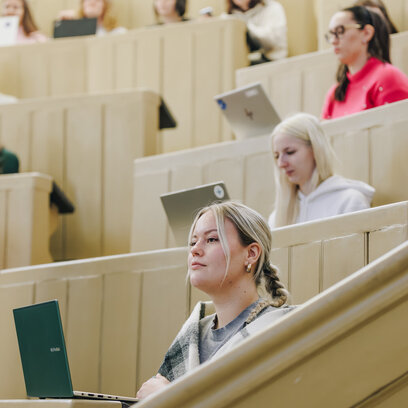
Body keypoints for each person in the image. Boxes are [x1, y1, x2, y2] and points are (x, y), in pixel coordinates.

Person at [137, 201, 293, 399]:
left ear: (251, 254)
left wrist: (170, 397)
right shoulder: (190, 337)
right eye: (193, 242)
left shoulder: (280, 327)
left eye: (211, 239)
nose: (195, 250)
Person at [269, 113, 375, 229]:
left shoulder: (350, 201)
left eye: (290, 152)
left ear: (315, 149)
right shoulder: (277, 216)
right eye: (276, 156)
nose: (281, 163)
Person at [321, 6, 408, 120]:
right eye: (331, 34)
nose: (333, 41)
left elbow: (396, 132)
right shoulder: (335, 92)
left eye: (340, 31)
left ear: (366, 33)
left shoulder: (388, 77)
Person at [57, 0, 126, 36]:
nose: (92, 2)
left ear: (105, 5)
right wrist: (64, 26)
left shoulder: (118, 32)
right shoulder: (73, 31)